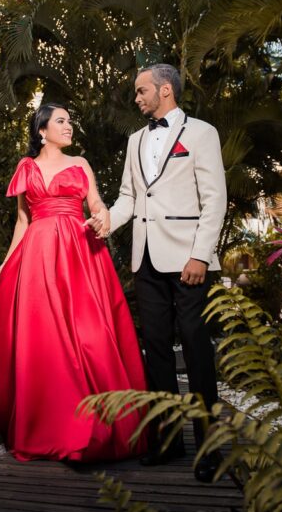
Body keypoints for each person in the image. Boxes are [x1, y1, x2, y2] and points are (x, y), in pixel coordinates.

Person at [0, 103, 149, 462]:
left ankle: (100, 421)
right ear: (42, 131)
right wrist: (7, 261)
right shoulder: (25, 168)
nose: (69, 126)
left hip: (78, 253)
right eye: (61, 121)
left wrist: (101, 217)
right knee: (45, 337)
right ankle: (53, 426)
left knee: (89, 333)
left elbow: (97, 205)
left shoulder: (80, 164)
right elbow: (21, 221)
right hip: (37, 258)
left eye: (70, 121)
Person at [91, 63, 228, 483]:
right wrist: (107, 221)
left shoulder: (202, 133)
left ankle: (211, 448)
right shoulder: (135, 141)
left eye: (141, 91)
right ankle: (168, 441)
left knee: (197, 351)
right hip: (146, 261)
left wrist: (200, 256)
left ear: (165, 90)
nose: (137, 98)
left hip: (189, 262)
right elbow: (131, 196)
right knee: (156, 353)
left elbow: (215, 199)